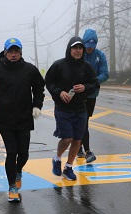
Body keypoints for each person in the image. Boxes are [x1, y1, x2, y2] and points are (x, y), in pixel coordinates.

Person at [0, 38, 45, 202]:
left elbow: (39, 87)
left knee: (23, 153)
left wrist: (37, 105)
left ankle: (18, 170)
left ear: (21, 53)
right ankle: (12, 187)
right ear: (5, 53)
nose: (13, 54)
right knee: (11, 152)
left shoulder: (29, 69)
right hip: (4, 118)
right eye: (10, 51)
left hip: (24, 117)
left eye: (16, 51)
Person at [45, 36, 99, 181]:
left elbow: (95, 84)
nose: (78, 51)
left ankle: (68, 167)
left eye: (80, 48)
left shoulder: (87, 67)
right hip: (63, 108)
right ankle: (57, 158)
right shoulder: (59, 65)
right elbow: (48, 82)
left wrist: (85, 87)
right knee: (67, 137)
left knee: (77, 140)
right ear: (69, 49)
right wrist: (60, 92)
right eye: (75, 48)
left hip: (81, 108)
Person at [78, 29, 109, 163]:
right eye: (87, 46)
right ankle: (87, 151)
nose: (89, 49)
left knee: (85, 121)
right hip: (79, 93)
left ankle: (78, 146)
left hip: (92, 94)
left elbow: (105, 73)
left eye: (92, 46)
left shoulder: (99, 55)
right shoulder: (79, 53)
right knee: (82, 121)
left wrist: (94, 81)